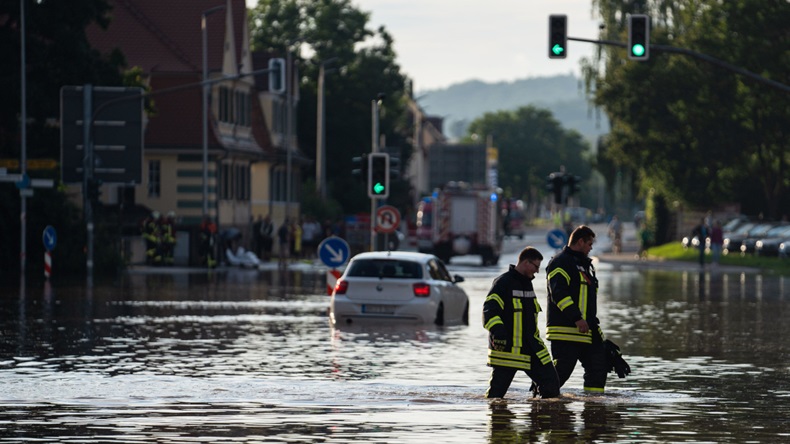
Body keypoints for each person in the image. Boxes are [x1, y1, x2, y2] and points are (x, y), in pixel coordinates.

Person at [483, 246, 560, 399]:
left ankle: (539, 413)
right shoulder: (503, 282)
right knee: (496, 397)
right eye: (536, 266)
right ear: (526, 262)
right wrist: (499, 333)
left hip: (531, 348)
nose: (537, 271)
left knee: (551, 386)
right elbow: (489, 310)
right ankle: (497, 415)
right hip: (508, 350)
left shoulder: (527, 283)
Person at [545, 225, 608, 393]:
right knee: (562, 371)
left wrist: (597, 332)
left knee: (598, 367)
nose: (591, 248)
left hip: (586, 331)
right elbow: (559, 294)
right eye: (589, 244)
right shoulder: (560, 262)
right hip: (565, 330)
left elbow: (588, 303)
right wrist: (577, 318)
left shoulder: (584, 265)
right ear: (580, 242)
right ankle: (540, 400)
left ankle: (594, 405)